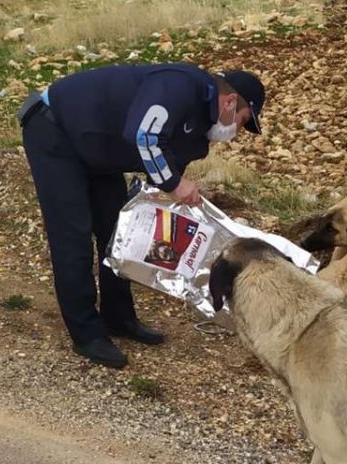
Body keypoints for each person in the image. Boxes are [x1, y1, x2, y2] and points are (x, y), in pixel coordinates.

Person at [17, 63, 266, 368]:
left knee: (118, 232)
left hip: (99, 151)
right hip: (55, 131)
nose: (236, 133)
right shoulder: (181, 86)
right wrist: (175, 184)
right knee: (73, 236)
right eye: (242, 123)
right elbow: (145, 136)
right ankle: (87, 334)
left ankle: (119, 317)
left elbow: (161, 178)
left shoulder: (200, 132)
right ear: (230, 102)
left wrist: (169, 204)